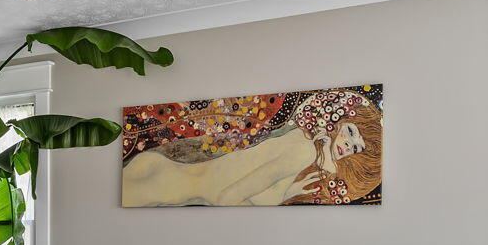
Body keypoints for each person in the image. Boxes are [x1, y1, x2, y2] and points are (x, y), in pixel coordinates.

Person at [120, 90, 379, 207]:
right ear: (338, 116)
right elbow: (225, 198)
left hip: (159, 172)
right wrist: (285, 194)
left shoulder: (297, 136)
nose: (349, 146)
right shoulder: (305, 152)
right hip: (162, 188)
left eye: (357, 147)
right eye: (351, 132)